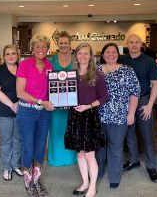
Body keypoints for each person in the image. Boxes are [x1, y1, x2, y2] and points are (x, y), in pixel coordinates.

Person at [64, 42, 108, 197]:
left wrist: (88, 106)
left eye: (86, 53)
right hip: (75, 116)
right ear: (76, 55)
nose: (82, 56)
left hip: (89, 117)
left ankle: (93, 187)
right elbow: (65, 95)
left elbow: (104, 98)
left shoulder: (96, 75)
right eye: (80, 53)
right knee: (80, 153)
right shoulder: (70, 74)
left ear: (90, 56)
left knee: (90, 154)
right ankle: (85, 183)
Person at [96, 43, 140, 189]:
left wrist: (131, 113)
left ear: (118, 54)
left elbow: (135, 93)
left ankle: (114, 177)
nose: (110, 54)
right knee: (99, 147)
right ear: (102, 55)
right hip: (99, 115)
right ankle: (98, 172)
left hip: (119, 116)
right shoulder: (96, 71)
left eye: (113, 52)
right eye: (107, 52)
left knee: (115, 146)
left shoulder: (127, 71)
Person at [16, 34, 54, 197]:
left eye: (44, 46)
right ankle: (28, 182)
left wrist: (55, 101)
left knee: (40, 147)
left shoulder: (50, 66)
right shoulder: (24, 65)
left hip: (44, 113)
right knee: (28, 147)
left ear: (47, 49)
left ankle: (37, 179)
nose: (41, 49)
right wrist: (40, 101)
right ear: (32, 49)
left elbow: (52, 91)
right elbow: (20, 92)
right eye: (37, 46)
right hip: (27, 111)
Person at [121, 34, 157, 183]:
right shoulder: (122, 60)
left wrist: (150, 105)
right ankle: (133, 160)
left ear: (141, 44)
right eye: (131, 42)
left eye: (137, 42)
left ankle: (151, 166)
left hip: (143, 100)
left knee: (146, 135)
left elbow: (155, 84)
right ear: (127, 44)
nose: (134, 45)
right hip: (126, 101)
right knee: (129, 133)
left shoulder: (149, 61)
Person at [0, 44, 23, 181]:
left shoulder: (23, 69)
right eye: (8, 54)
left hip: (22, 109)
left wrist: (19, 104)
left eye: (13, 53)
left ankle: (15, 164)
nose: (11, 56)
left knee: (18, 139)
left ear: (17, 55)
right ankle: (6, 167)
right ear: (4, 56)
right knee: (6, 140)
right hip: (3, 110)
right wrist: (12, 104)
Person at [48, 31, 77, 167]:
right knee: (57, 129)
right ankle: (56, 158)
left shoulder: (77, 59)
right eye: (61, 43)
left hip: (73, 103)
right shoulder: (50, 60)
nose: (64, 45)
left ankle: (71, 158)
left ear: (70, 44)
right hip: (56, 103)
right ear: (57, 45)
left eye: (66, 43)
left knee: (71, 129)